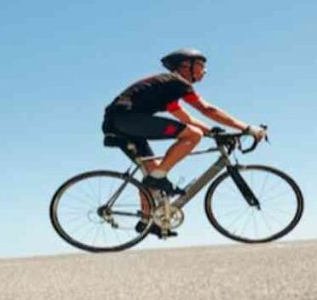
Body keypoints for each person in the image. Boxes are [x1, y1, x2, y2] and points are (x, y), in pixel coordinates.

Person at [102, 49, 267, 237]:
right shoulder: (177, 82)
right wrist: (246, 128)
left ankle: (148, 221)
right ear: (186, 66)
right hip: (127, 120)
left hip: (121, 123)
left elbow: (186, 118)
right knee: (191, 137)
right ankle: (158, 178)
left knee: (154, 169)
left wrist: (213, 133)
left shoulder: (167, 88)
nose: (205, 70)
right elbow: (207, 109)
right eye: (201, 65)